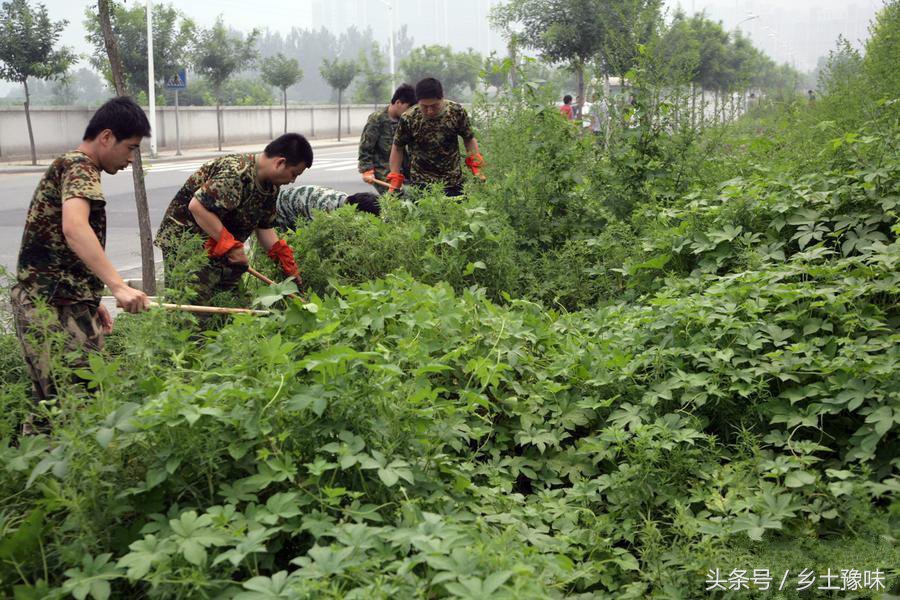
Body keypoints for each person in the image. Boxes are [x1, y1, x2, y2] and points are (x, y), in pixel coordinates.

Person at [11, 96, 152, 408]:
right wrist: (117, 285)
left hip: (61, 300)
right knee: (73, 405)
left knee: (56, 405)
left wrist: (89, 297)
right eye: (130, 147)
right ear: (106, 137)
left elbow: (65, 247)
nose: (131, 159)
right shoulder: (80, 167)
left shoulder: (72, 165)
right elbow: (74, 228)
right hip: (49, 305)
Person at [155, 133, 312, 304]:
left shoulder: (271, 187)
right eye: (294, 173)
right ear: (280, 162)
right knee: (192, 306)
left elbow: (264, 227)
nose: (292, 180)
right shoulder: (236, 172)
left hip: (219, 243)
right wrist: (231, 247)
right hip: (187, 241)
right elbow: (197, 207)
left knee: (230, 303)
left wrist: (285, 262)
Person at [386, 77, 485, 198]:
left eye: (434, 106)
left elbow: (468, 138)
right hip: (421, 185)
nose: (429, 111)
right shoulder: (409, 118)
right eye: (424, 106)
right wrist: (395, 177)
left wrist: (476, 167)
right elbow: (397, 147)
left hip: (453, 182)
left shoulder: (456, 112)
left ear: (442, 98)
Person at [358, 83, 416, 195]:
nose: (409, 112)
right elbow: (365, 147)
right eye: (408, 108)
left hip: (404, 168)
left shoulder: (406, 120)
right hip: (384, 169)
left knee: (415, 195)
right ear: (398, 102)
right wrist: (367, 170)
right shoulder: (377, 119)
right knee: (399, 197)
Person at [275, 186, 380, 231]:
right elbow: (315, 237)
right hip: (280, 207)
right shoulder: (326, 210)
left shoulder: (345, 201)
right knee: (287, 245)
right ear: (357, 212)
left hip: (298, 206)